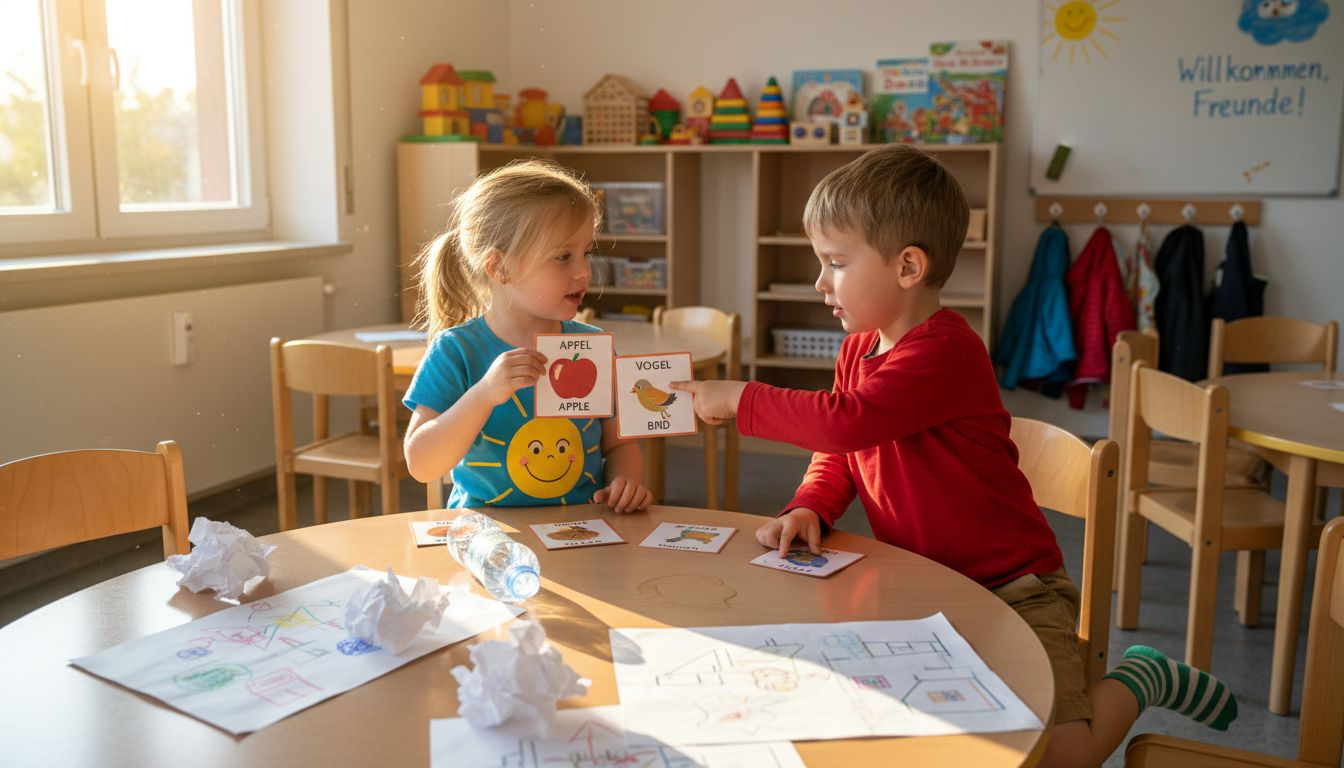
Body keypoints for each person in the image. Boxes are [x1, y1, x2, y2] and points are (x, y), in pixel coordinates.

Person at [670, 144, 1236, 768]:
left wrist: (741, 398)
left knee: (1062, 758)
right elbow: (841, 450)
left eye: (835, 263)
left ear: (908, 267)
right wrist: (810, 505)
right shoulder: (857, 350)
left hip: (1018, 589)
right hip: (923, 587)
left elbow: (848, 420)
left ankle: (1143, 676)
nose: (820, 281)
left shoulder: (945, 351)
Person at [403, 160, 652, 513]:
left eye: (586, 253)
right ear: (499, 267)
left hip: (582, 530)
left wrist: (625, 483)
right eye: (563, 256)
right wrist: (485, 393)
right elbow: (421, 464)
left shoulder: (592, 347)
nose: (583, 271)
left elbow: (620, 445)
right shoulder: (456, 351)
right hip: (488, 532)